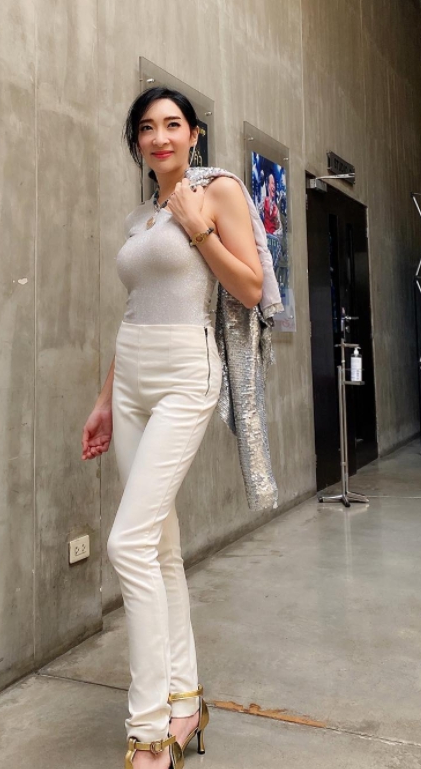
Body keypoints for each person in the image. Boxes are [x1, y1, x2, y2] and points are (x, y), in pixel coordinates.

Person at [81, 87, 264, 769]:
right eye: (147, 128)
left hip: (188, 373)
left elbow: (250, 289)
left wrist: (198, 228)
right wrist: (105, 399)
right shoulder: (140, 217)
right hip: (130, 376)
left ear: (194, 134)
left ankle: (150, 728)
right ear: (137, 142)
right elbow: (135, 308)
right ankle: (186, 700)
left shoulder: (217, 192)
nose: (160, 137)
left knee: (126, 543)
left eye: (172, 125)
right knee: (157, 546)